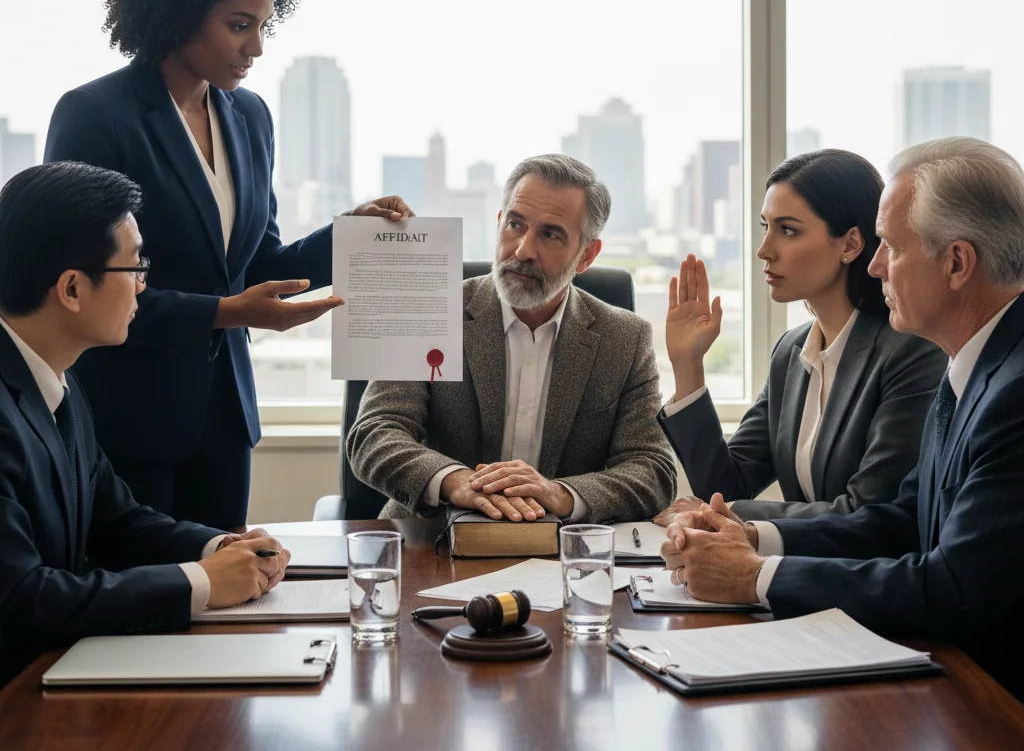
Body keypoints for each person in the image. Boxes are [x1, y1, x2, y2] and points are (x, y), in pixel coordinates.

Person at [44, 0, 411, 531]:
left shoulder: (249, 117)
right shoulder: (95, 115)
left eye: (264, 26)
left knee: (228, 595)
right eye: (239, 25)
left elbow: (255, 263)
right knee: (147, 603)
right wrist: (229, 313)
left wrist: (347, 234)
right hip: (131, 417)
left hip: (225, 416)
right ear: (178, 11)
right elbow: (78, 288)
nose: (257, 48)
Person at [661, 137, 1024, 700]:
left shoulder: (1010, 390)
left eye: (893, 248)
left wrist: (752, 574)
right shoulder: (971, 364)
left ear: (956, 262)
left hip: (992, 700)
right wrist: (752, 536)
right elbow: (902, 519)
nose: (877, 265)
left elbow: (954, 589)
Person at [0, 162, 292, 688]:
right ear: (71, 288)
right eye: (134, 268)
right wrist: (199, 584)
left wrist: (221, 549)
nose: (142, 286)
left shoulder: (57, 379)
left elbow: (119, 521)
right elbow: (21, 600)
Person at [347, 155, 677, 522]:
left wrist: (559, 494)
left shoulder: (625, 339)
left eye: (550, 234)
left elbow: (653, 470)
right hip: (429, 542)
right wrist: (456, 482)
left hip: (559, 552)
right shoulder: (429, 309)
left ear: (586, 255)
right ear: (499, 222)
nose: (523, 251)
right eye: (516, 224)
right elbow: (375, 433)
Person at [654, 150, 945, 525]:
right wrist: (688, 365)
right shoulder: (791, 352)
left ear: (851, 244)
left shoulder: (910, 351)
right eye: (766, 227)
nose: (764, 250)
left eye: (788, 230)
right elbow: (725, 486)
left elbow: (871, 511)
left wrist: (729, 513)